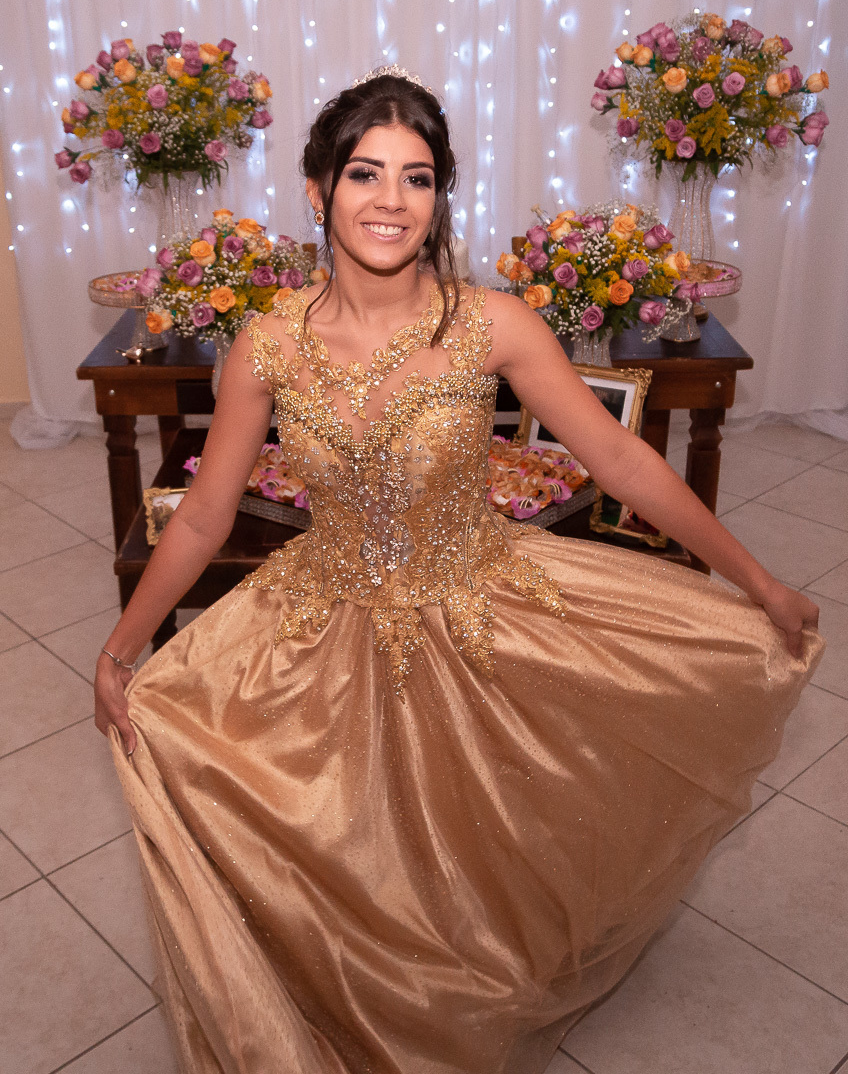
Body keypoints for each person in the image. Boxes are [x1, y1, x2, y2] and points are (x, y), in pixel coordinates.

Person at [95, 67, 822, 1074]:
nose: (391, 200)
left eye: (418, 177)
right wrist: (125, 647)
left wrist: (755, 580)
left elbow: (617, 459)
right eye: (364, 173)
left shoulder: (491, 323)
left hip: (476, 606)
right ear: (317, 190)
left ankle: (465, 995)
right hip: (321, 623)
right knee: (329, 840)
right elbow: (208, 512)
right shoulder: (264, 344)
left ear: (439, 197)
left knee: (478, 845)